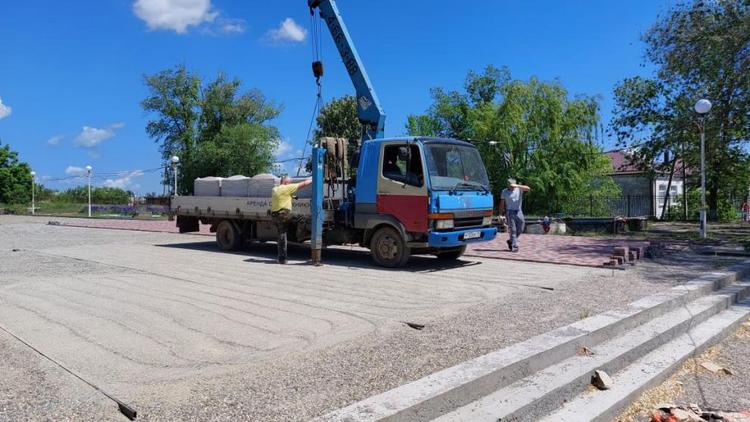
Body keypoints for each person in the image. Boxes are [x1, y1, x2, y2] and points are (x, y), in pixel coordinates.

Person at [271, 176, 313, 264]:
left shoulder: (275, 189)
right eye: (290, 182)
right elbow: (304, 183)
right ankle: (300, 235)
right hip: (283, 214)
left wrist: (292, 196)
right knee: (302, 217)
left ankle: (282, 259)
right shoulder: (288, 187)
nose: (291, 184)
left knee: (282, 236)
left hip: (275, 215)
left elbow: (282, 195)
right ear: (286, 182)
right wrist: (315, 178)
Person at [499, 178, 531, 252]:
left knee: (521, 227)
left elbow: (528, 189)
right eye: (511, 185)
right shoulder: (504, 192)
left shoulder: (519, 189)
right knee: (513, 230)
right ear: (508, 185)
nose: (512, 187)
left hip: (519, 211)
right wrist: (500, 214)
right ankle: (515, 246)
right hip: (510, 212)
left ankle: (511, 241)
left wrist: (517, 186)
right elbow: (502, 204)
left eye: (513, 185)